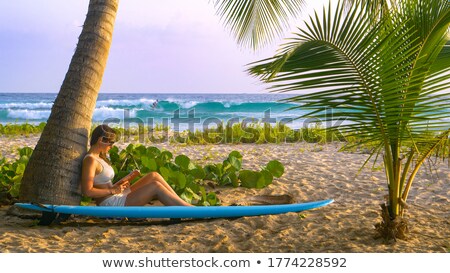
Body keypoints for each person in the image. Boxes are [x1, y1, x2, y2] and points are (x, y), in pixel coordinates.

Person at [81, 124, 192, 207]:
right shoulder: (90, 160)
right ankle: (188, 209)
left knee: (154, 176)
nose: (111, 146)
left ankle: (182, 205)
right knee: (155, 186)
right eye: (111, 142)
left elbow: (104, 183)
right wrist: (112, 191)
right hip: (111, 203)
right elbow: (87, 191)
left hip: (117, 195)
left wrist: (121, 183)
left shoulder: (99, 157)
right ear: (101, 140)